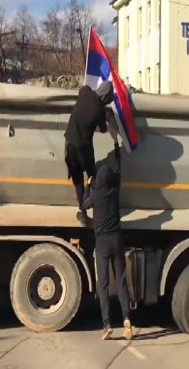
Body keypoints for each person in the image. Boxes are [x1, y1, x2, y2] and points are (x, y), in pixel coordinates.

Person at [83, 135, 133, 341]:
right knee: (121, 282)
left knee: (103, 284)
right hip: (117, 240)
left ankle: (106, 324)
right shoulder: (114, 191)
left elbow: (84, 204)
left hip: (102, 243)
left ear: (97, 181)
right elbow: (118, 169)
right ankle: (127, 319)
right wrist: (116, 145)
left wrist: (87, 185)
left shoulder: (95, 195)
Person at [64, 81, 114, 224]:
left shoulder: (85, 92)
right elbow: (103, 129)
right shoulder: (99, 111)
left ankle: (83, 212)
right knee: (93, 175)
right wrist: (106, 114)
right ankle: (100, 207)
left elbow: (85, 88)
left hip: (69, 144)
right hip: (83, 149)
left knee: (77, 178)